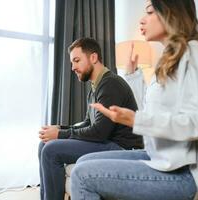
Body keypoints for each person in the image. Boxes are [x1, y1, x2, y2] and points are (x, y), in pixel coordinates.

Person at [70, 1, 198, 200]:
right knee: (84, 161)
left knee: (82, 176)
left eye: (150, 12)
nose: (142, 19)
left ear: (170, 12)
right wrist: (132, 74)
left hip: (185, 175)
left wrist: (136, 121)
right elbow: (152, 110)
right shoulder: (170, 59)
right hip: (161, 159)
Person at [38, 38, 143, 200]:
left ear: (93, 58)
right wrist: (59, 128)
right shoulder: (95, 88)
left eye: (77, 61)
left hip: (121, 148)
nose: (73, 67)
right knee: (44, 144)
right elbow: (89, 123)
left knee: (51, 151)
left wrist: (59, 135)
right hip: (107, 142)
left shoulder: (110, 84)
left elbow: (99, 132)